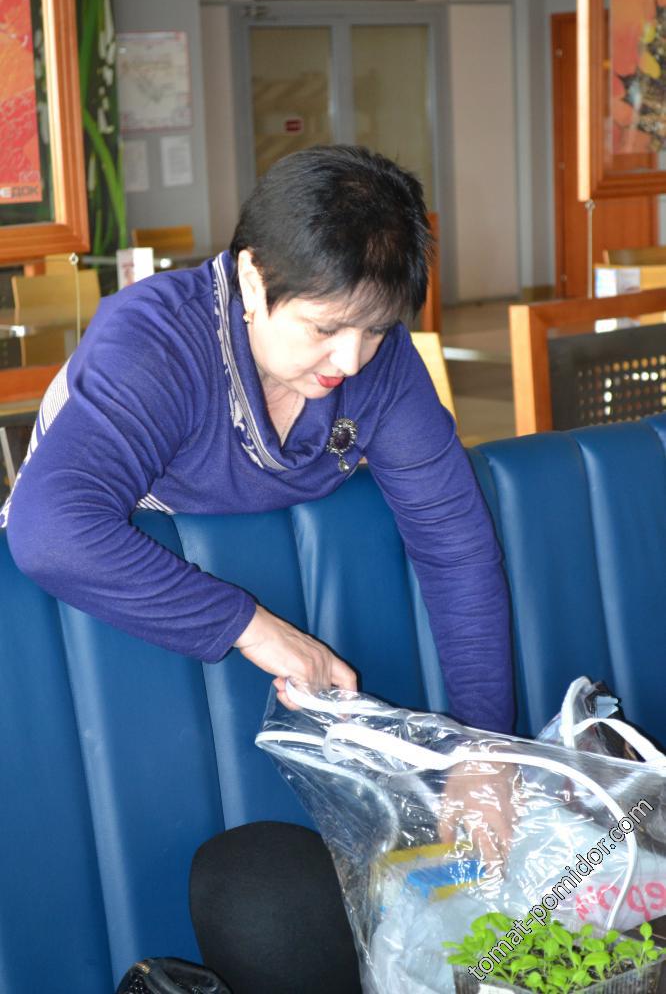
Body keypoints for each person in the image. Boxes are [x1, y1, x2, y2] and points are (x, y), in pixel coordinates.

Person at [2, 146, 516, 979]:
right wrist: (258, 629)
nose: (350, 361)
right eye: (324, 328)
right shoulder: (157, 341)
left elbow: (453, 542)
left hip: (272, 675)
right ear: (251, 279)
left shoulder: (380, 368)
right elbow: (52, 529)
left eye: (375, 329)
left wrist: (483, 752)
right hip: (104, 634)